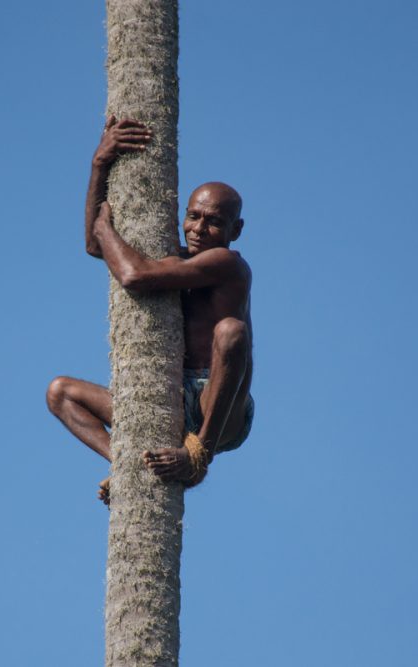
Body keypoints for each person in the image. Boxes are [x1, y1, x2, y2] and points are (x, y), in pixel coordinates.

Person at [46, 116, 255, 505]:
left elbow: (133, 275)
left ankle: (197, 456)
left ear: (235, 230)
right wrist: (99, 162)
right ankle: (125, 463)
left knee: (230, 331)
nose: (198, 229)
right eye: (193, 216)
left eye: (214, 223)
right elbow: (97, 248)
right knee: (60, 392)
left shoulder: (229, 264)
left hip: (220, 406)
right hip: (169, 397)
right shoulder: (176, 259)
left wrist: (106, 229)